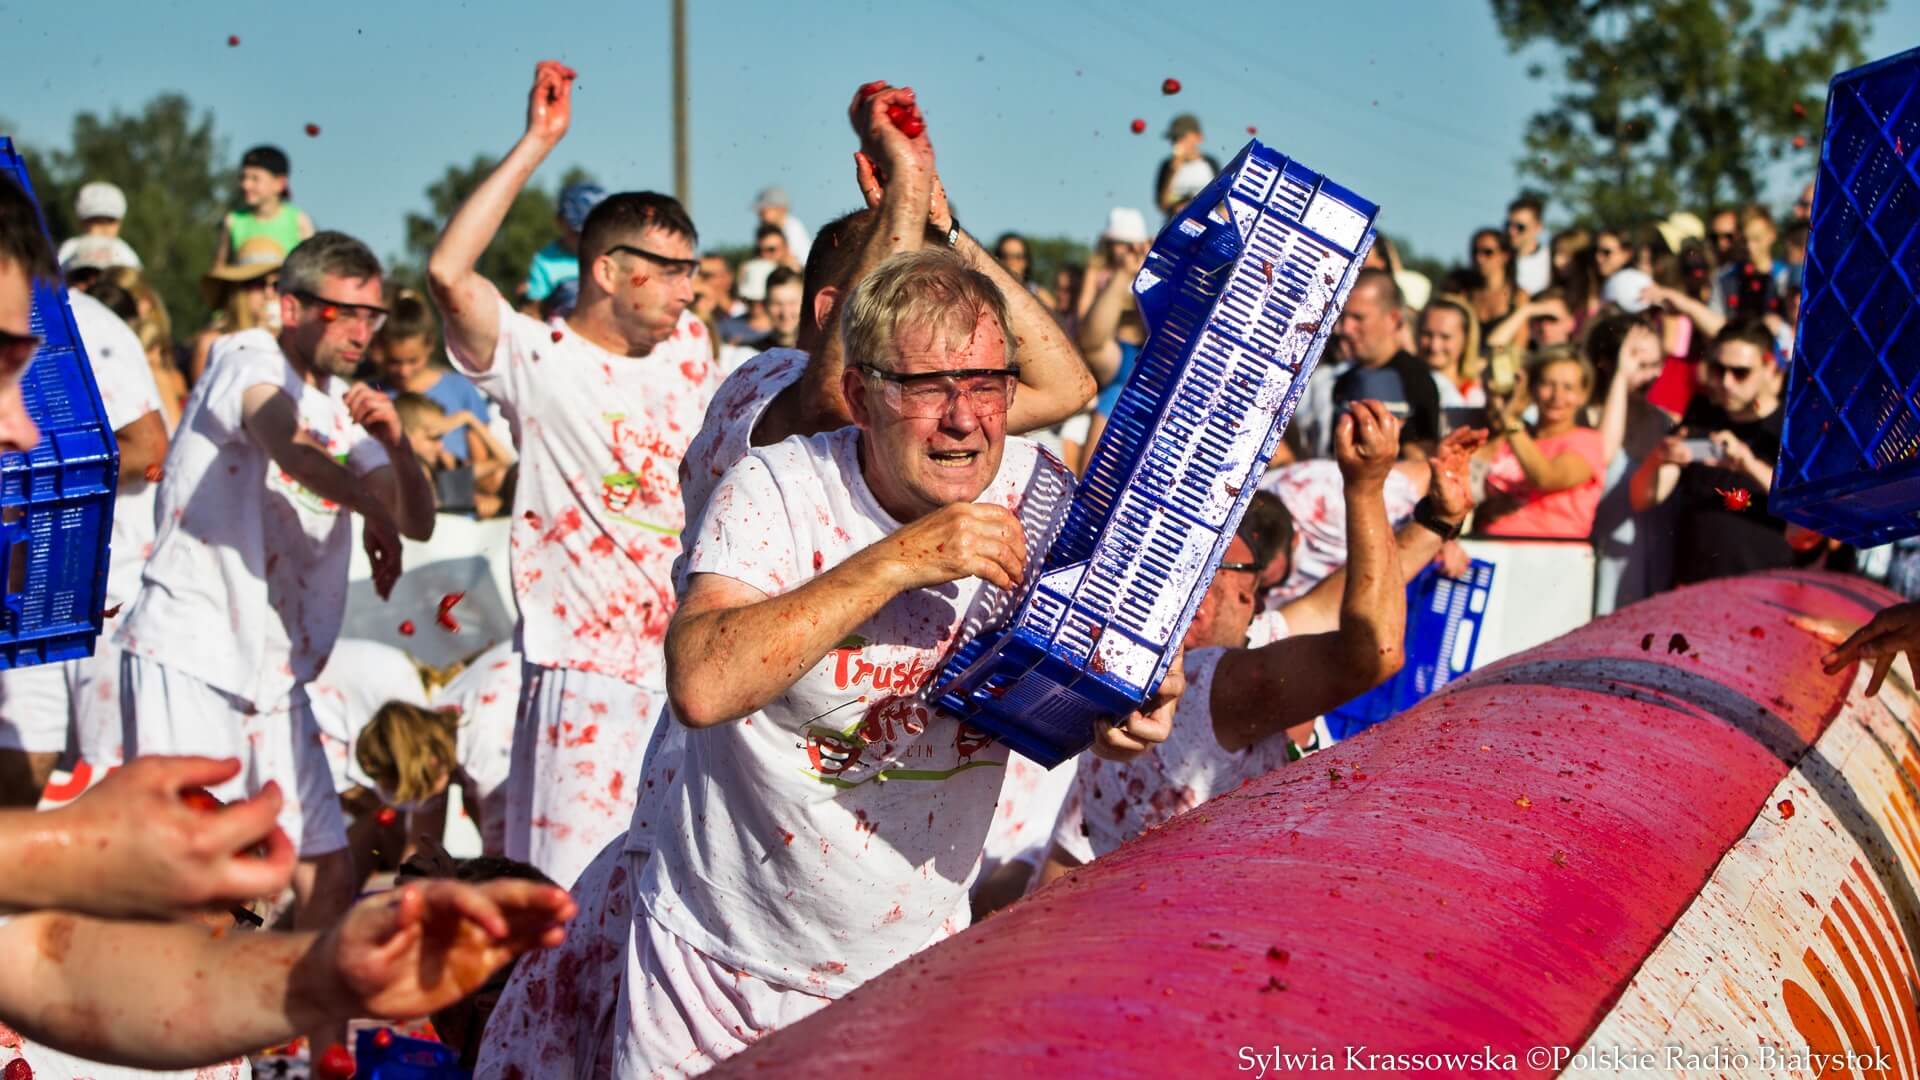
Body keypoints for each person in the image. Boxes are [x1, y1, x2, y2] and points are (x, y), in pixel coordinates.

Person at [473, 83, 1100, 1078]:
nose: (960, 407)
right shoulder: (762, 407)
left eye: (976, 379)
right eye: (898, 316)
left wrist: (942, 224)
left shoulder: (987, 450)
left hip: (887, 941)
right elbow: (834, 405)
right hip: (713, 882)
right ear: (843, 332)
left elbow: (1064, 384)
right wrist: (903, 194)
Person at [623, 248, 1168, 1073]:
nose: (963, 419)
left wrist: (1132, 705)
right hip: (718, 967)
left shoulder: (1039, 496)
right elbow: (701, 684)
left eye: (986, 385)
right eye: (927, 388)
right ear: (859, 396)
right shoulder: (779, 487)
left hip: (910, 968)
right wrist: (899, 559)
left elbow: (1127, 670)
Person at [427, 61, 721, 889]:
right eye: (667, 269)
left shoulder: (691, 347)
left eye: (691, 269)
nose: (687, 289)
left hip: (686, 674)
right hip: (582, 677)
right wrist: (539, 141)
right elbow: (449, 274)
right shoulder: (539, 360)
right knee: (563, 912)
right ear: (605, 269)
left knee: (665, 906)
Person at [114, 231, 438, 981]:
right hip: (191, 650)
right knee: (194, 879)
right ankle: (169, 1025)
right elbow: (287, 446)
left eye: (372, 316)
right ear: (291, 308)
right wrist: (370, 508)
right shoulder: (248, 360)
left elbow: (416, 519)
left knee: (325, 871)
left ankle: (299, 1031)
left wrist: (397, 448)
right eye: (343, 313)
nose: (362, 332)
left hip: (275, 675)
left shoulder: (341, 409)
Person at [1044, 404, 1477, 875]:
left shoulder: (1138, 678)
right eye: (1244, 583)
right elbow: (1374, 652)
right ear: (1201, 606)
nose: (1257, 601)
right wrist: (1366, 488)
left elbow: (1330, 603)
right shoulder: (1208, 692)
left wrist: (1435, 522)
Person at [0, 287, 170, 799]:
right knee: (19, 761)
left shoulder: (78, 321)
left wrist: (24, 471)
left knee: (109, 783)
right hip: (21, 589)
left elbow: (149, 447)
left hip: (105, 594)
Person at [1629, 320, 1789, 583]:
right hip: (1694, 585)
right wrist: (1658, 458)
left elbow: (1807, 515)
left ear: (1770, 368)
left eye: (1740, 372)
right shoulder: (1701, 414)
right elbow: (1641, 499)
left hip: (1766, 585)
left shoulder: (1788, 427)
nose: (1726, 382)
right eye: (1718, 369)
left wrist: (1749, 464)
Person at [1587, 311, 1675, 614]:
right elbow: (1601, 456)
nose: (1653, 375)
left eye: (1656, 364)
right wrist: (1622, 378)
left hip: (1647, 566)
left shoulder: (1663, 421)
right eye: (1640, 365)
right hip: (1598, 562)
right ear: (1606, 363)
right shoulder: (1584, 415)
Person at [1472, 348, 1605, 539]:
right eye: (1548, 384)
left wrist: (1509, 420)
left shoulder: (1587, 441)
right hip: (1490, 545)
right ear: (1533, 388)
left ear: (1583, 394)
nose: (1557, 396)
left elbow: (1546, 478)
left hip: (1548, 550)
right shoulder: (1515, 437)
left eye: (1568, 388)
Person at [366, 288, 493, 464]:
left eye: (413, 361)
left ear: (430, 345)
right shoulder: (372, 394)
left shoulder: (460, 388)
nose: (404, 371)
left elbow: (483, 463)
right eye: (395, 362)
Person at [1331, 269, 1442, 450]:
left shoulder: (1415, 380)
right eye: (1343, 317)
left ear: (1393, 318)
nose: (1345, 329)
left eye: (1358, 318)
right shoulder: (1344, 381)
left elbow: (1423, 457)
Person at [190, 234, 285, 382]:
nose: (269, 293)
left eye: (277, 285)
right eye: (258, 283)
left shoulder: (289, 343)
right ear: (238, 289)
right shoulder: (212, 344)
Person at [213, 145, 313, 268]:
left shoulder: (299, 222)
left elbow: (311, 269)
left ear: (279, 183)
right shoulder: (232, 221)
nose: (246, 185)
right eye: (243, 177)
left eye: (255, 178)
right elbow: (219, 269)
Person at [524, 181, 605, 306]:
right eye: (578, 232)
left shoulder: (613, 255)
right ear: (559, 221)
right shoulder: (545, 262)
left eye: (593, 232)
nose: (586, 239)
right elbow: (532, 310)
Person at [1416, 295, 1484, 408]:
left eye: (1445, 337)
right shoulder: (1399, 383)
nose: (1434, 346)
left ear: (1466, 340)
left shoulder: (1477, 394)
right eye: (1427, 334)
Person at [56, 181, 140, 271]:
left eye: (110, 221)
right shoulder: (70, 249)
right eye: (96, 221)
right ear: (81, 222)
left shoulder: (124, 252)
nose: (104, 228)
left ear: (120, 222)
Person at [1465, 227, 1528, 335]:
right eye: (1475, 252)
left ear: (1505, 256)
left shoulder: (1518, 296)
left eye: (1488, 252)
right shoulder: (1465, 295)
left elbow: (1520, 340)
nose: (1479, 258)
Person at [1156, 113, 1218, 217]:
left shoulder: (1210, 163)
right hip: (1178, 224)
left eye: (1181, 137)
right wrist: (1172, 171)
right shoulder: (1167, 166)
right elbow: (1162, 204)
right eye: (1174, 138)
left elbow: (1221, 197)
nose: (1176, 143)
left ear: (1198, 137)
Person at [994, 231, 1057, 309]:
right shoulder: (989, 295)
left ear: (1026, 261)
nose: (1011, 262)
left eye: (1018, 256)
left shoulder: (1042, 297)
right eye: (1005, 256)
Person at [753, 185, 812, 265]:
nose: (760, 215)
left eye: (764, 211)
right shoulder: (763, 232)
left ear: (781, 209)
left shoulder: (793, 229)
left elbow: (799, 263)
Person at [1506, 193, 1550, 294]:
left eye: (1520, 227)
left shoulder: (1551, 260)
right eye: (1508, 225)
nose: (1511, 231)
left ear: (1538, 227)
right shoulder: (1498, 260)